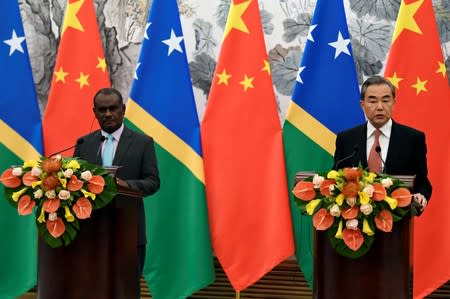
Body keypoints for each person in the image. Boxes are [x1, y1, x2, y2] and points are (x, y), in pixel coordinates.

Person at [74, 87, 160, 298]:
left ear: (122, 110)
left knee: (126, 292)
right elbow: (74, 184)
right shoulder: (84, 143)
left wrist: (126, 185)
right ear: (94, 112)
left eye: (113, 108)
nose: (108, 114)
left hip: (129, 233)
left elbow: (152, 182)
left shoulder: (142, 143)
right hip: (91, 233)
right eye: (102, 110)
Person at [333, 75, 431, 213]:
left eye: (385, 100)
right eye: (372, 101)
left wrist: (421, 195)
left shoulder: (412, 139)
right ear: (362, 105)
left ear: (394, 102)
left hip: (397, 222)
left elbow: (422, 181)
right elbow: (337, 177)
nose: (380, 107)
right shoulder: (346, 139)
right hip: (353, 222)